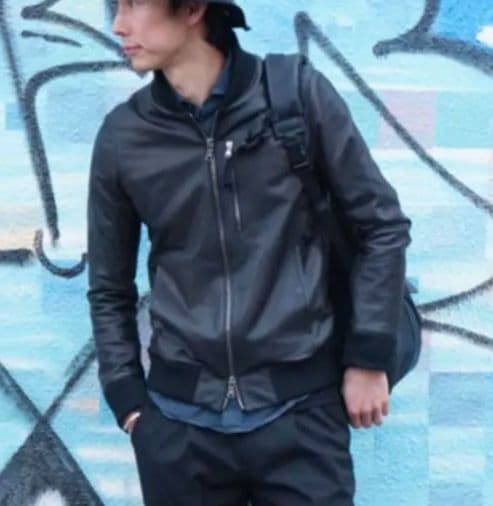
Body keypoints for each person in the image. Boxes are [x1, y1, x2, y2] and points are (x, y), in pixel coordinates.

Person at [86, 1, 412, 504]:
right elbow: (109, 286)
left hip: (300, 415)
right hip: (179, 429)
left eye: (135, 4)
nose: (118, 25)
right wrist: (129, 402)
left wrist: (369, 358)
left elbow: (381, 227)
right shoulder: (124, 136)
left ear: (192, 9)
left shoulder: (295, 96)